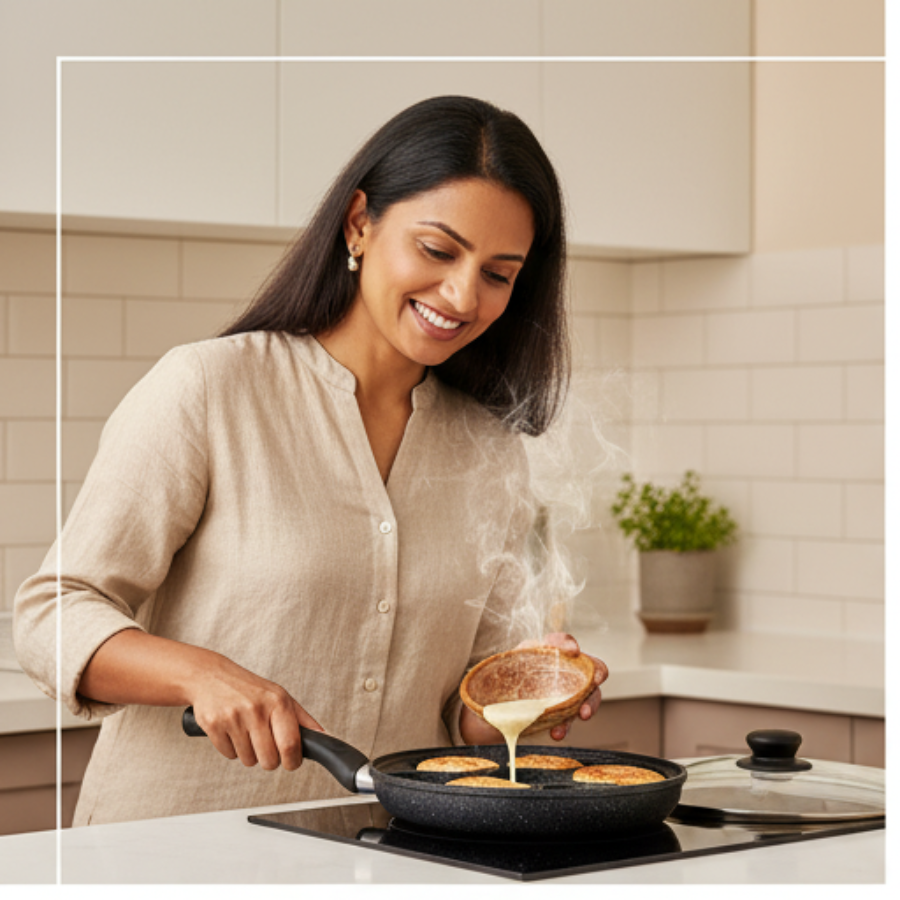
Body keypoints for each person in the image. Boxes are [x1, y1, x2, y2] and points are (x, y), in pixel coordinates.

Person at [14, 95, 608, 826]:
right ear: (360, 223)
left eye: (499, 273)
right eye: (438, 250)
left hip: (380, 853)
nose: (462, 294)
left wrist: (534, 691)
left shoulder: (491, 452)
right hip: (175, 849)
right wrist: (203, 674)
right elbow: (51, 612)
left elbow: (465, 713)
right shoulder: (211, 388)